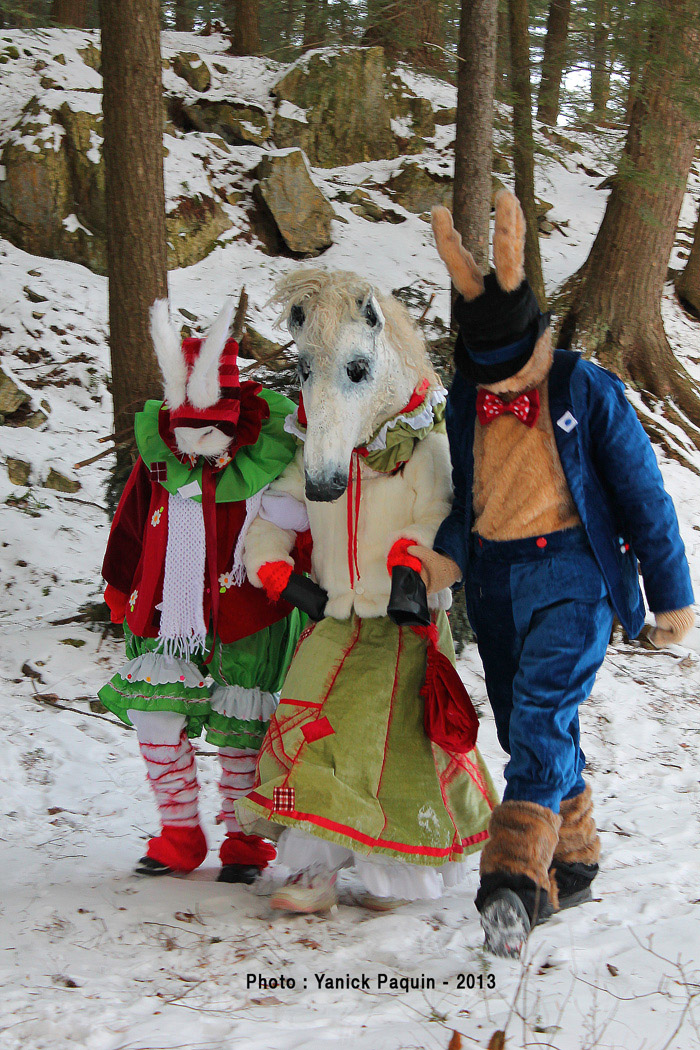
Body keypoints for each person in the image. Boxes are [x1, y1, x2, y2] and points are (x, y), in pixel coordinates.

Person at [408, 191, 695, 956]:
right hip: (496, 580)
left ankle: (514, 882)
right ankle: (576, 855)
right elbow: (466, 497)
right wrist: (443, 557)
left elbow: (643, 494)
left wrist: (671, 593)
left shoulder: (583, 387)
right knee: (522, 722)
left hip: (574, 574)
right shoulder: (468, 397)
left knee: (540, 716)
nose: (499, 387)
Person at [99, 299, 308, 882]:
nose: (194, 445)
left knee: (243, 731)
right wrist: (118, 582)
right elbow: (132, 521)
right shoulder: (160, 462)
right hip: (166, 609)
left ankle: (245, 838)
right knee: (156, 718)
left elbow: (299, 524)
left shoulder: (269, 460)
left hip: (247, 610)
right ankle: (179, 832)